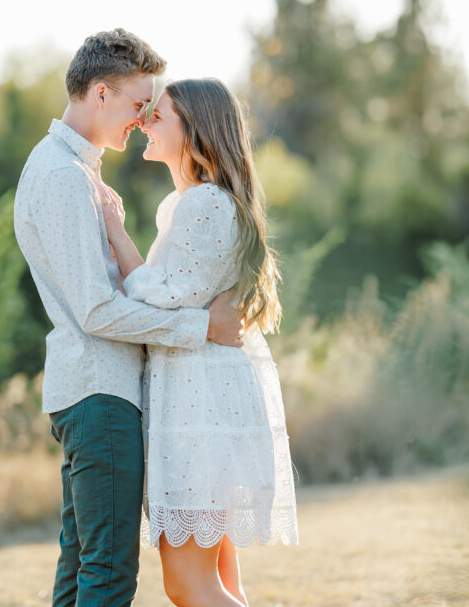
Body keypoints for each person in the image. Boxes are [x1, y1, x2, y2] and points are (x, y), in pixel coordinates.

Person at [13, 30, 247, 607]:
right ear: (99, 93)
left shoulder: (75, 171)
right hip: (100, 393)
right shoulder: (65, 178)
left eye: (150, 109)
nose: (141, 119)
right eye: (137, 104)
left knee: (82, 568)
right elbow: (95, 310)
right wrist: (203, 328)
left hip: (95, 392)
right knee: (109, 572)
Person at [94, 78, 298, 607]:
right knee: (221, 582)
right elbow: (177, 298)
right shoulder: (186, 204)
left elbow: (162, 299)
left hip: (197, 405)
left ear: (195, 133)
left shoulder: (205, 202)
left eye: (157, 116)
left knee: (190, 585)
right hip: (200, 398)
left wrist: (115, 231)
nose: (143, 122)